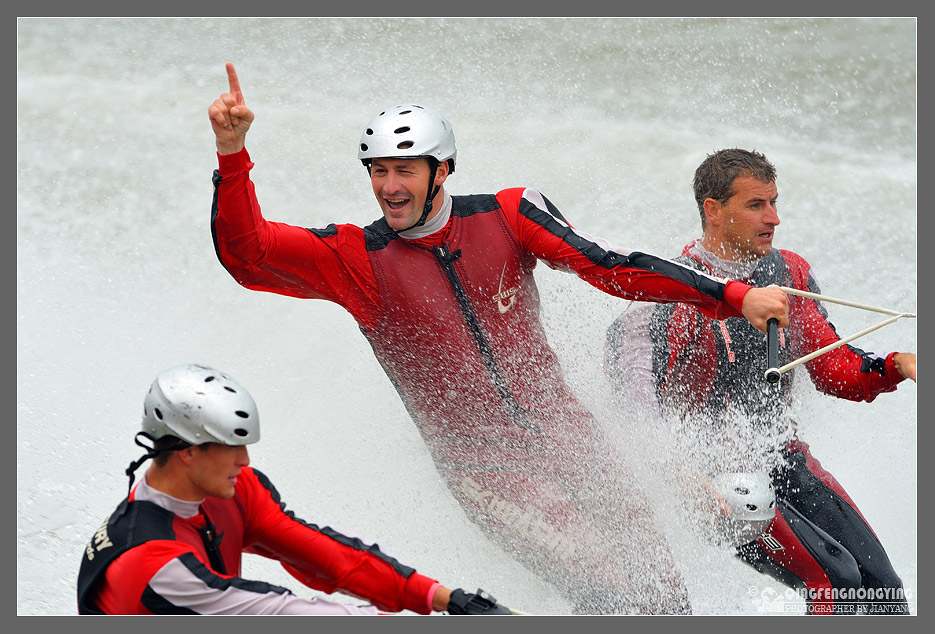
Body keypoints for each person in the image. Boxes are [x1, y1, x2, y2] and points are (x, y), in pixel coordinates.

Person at [207, 62, 789, 614]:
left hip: (572, 439)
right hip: (488, 472)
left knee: (662, 590)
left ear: (443, 169)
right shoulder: (358, 258)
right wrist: (232, 156)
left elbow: (609, 265)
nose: (389, 186)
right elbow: (247, 253)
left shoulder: (509, 215)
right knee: (609, 583)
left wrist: (732, 296)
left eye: (404, 169)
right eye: (378, 171)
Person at [604, 148, 915, 615]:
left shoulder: (788, 271)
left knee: (881, 589)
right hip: (713, 483)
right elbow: (633, 412)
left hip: (780, 457)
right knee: (834, 579)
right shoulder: (665, 294)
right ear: (713, 210)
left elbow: (835, 373)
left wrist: (900, 365)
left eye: (774, 202)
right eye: (756, 206)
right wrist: (685, 480)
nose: (773, 217)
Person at [77, 363, 513, 615]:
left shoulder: (233, 489)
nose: (245, 462)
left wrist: (444, 599)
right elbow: (284, 614)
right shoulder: (153, 562)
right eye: (232, 448)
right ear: (186, 450)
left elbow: (327, 558)